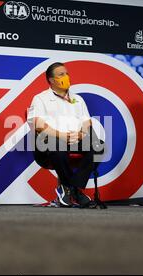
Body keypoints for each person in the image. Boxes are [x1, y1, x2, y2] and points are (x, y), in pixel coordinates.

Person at [27, 62, 99, 208]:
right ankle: (73, 191)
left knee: (98, 146)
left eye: (67, 73)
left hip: (75, 139)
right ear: (51, 80)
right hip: (49, 142)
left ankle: (73, 188)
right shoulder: (40, 98)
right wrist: (61, 135)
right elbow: (37, 124)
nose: (66, 77)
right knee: (57, 145)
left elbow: (87, 122)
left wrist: (81, 134)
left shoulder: (78, 99)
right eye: (61, 74)